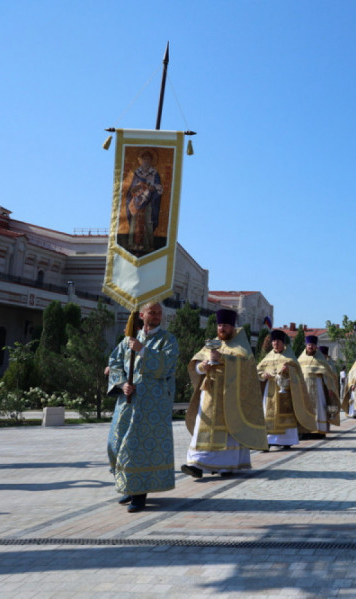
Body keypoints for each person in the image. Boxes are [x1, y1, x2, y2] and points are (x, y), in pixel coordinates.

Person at [106, 301, 179, 513]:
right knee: (115, 443)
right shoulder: (129, 340)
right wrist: (122, 384)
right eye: (152, 312)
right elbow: (115, 363)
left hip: (152, 405)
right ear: (142, 314)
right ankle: (129, 484)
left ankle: (139, 494)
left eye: (159, 313)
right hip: (127, 402)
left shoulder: (168, 339)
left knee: (137, 447)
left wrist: (144, 351)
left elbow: (168, 365)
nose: (157, 316)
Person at [181, 309, 267, 479]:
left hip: (231, 397)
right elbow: (195, 366)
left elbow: (247, 368)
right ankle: (196, 464)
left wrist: (223, 359)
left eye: (225, 325)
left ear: (232, 327)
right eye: (220, 325)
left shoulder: (241, 347)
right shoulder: (210, 344)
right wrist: (202, 366)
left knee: (229, 430)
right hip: (209, 395)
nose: (222, 328)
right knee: (202, 428)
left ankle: (226, 465)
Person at [257, 329, 316, 449]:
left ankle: (286, 440)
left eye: (278, 341)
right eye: (273, 341)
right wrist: (263, 375)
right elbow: (258, 371)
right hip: (270, 392)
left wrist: (289, 370)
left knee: (285, 415)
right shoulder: (267, 358)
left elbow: (298, 375)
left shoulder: (290, 358)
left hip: (286, 392)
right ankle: (268, 441)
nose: (275, 343)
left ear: (283, 343)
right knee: (268, 415)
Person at [298, 335, 341, 435]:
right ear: (306, 345)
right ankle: (305, 431)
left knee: (320, 409)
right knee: (305, 409)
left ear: (316, 346)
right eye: (309, 345)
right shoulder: (300, 360)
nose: (311, 347)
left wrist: (330, 388)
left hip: (318, 388)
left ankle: (319, 431)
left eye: (313, 345)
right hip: (304, 389)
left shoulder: (321, 360)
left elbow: (328, 375)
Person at [124, 149, 163, 254]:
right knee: (135, 222)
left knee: (148, 222)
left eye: (148, 159)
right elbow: (132, 188)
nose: (146, 161)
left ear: (151, 161)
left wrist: (153, 188)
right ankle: (133, 244)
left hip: (150, 202)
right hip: (137, 202)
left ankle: (148, 245)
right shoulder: (137, 173)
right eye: (144, 159)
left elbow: (159, 188)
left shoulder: (154, 174)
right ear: (141, 160)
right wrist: (138, 189)